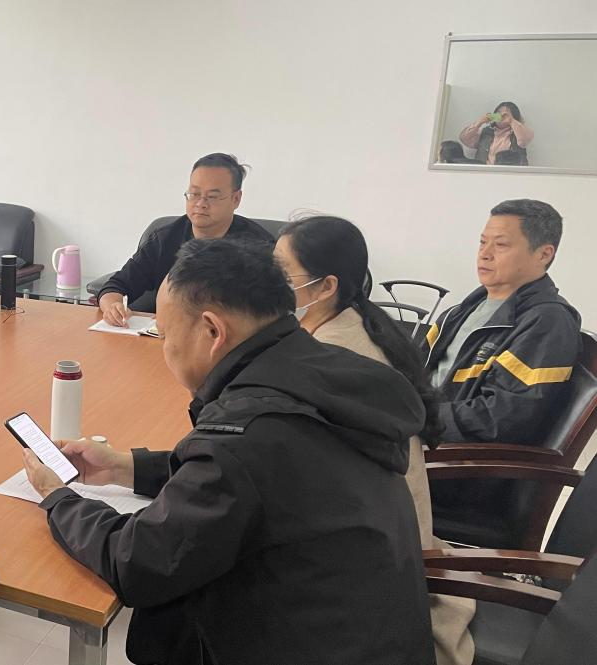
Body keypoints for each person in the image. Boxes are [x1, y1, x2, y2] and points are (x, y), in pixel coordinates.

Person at [24, 238, 434, 665]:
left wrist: (59, 498)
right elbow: (252, 483)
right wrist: (124, 467)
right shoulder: (318, 369)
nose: (165, 349)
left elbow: (138, 562)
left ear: (212, 331)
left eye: (165, 335)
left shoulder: (246, 436)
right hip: (373, 636)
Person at [275, 215, 475, 665]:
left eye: (282, 274)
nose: (270, 284)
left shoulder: (333, 358)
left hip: (380, 565)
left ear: (326, 286)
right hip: (389, 529)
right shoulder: (357, 323)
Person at [426, 199, 579, 445]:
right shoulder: (462, 310)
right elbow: (411, 369)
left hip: (454, 454)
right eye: (482, 242)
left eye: (501, 245)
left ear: (544, 254)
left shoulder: (548, 322)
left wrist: (416, 418)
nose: (485, 254)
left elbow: (500, 418)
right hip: (418, 432)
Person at [96, 153, 275, 325]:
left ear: (236, 199)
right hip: (165, 337)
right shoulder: (164, 240)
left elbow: (271, 315)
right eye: (194, 194)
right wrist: (113, 307)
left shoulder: (259, 248)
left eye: (212, 196)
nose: (201, 203)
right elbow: (115, 287)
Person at [459, 102, 533, 166]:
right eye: (499, 113)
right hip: (484, 173)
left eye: (506, 114)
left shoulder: (519, 132)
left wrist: (511, 121)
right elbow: (464, 139)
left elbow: (523, 141)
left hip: (511, 174)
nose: (501, 116)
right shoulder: (486, 132)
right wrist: (479, 122)